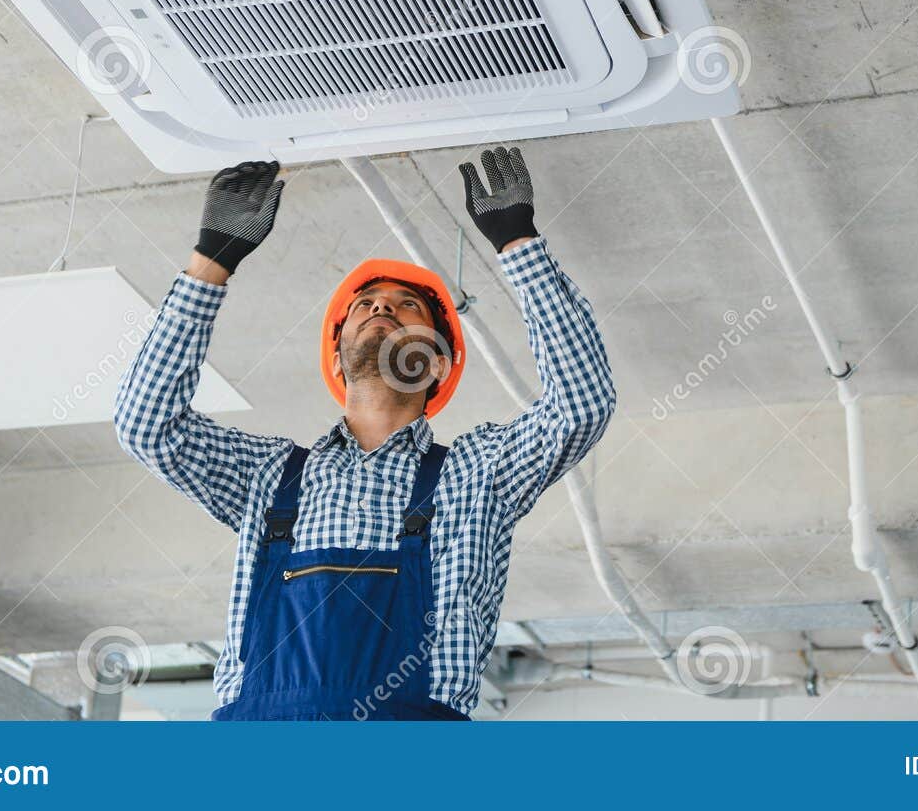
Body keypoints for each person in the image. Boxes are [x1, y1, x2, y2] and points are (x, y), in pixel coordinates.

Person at [114, 145, 615, 720]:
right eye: (366, 304)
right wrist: (211, 262)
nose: (382, 309)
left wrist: (518, 244)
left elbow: (581, 404)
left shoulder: (478, 474)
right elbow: (146, 425)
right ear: (337, 356)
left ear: (438, 363)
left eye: (408, 306)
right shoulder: (268, 477)